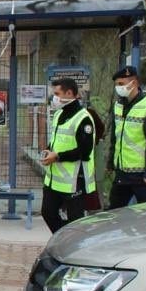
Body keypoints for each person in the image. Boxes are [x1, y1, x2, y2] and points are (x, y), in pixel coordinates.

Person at [40, 77, 96, 233]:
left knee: (75, 222)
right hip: (53, 180)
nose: (54, 98)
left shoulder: (83, 118)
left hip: (74, 181)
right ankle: (63, 239)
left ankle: (74, 245)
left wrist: (57, 156)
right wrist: (49, 151)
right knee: (48, 213)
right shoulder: (59, 114)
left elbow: (85, 152)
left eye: (57, 94)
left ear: (69, 93)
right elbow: (57, 140)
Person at [108, 65, 146, 209]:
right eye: (117, 85)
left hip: (142, 176)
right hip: (122, 173)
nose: (118, 88)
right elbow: (115, 137)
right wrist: (111, 162)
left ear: (134, 83)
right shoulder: (118, 105)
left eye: (121, 84)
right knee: (113, 213)